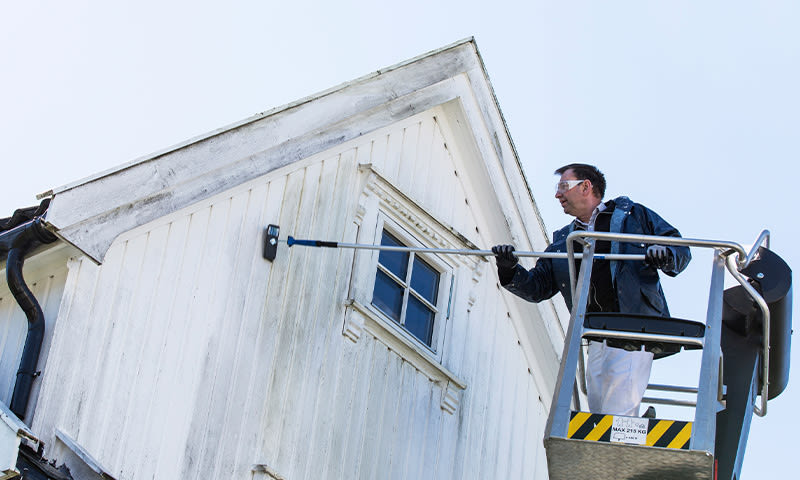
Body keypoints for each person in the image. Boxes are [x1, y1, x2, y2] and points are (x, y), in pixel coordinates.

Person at [492, 164, 691, 417]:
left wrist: (665, 254)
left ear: (586, 186)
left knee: (617, 407)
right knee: (598, 407)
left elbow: (679, 249)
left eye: (563, 186)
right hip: (596, 332)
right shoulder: (564, 240)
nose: (558, 194)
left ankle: (633, 428)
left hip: (633, 325)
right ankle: (637, 425)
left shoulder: (633, 216)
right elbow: (537, 287)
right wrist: (509, 268)